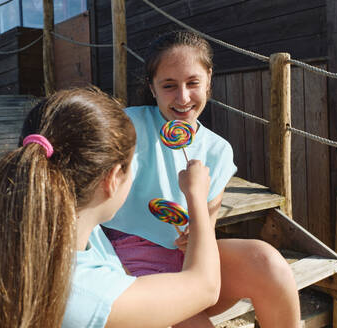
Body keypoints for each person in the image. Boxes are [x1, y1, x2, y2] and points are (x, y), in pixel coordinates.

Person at [0, 87, 221, 328]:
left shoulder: (40, 233)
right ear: (112, 180)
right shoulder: (88, 296)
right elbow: (206, 287)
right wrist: (197, 196)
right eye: (133, 165)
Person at [102, 30, 301, 327]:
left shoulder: (218, 150)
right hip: (127, 264)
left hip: (186, 263)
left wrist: (195, 235)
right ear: (152, 88)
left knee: (268, 262)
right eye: (169, 86)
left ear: (208, 80)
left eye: (192, 83)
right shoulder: (126, 125)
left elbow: (205, 231)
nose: (182, 98)